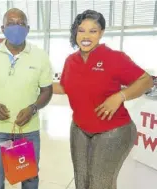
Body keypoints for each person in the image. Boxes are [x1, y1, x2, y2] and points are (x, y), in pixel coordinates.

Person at [53, 10, 154, 189]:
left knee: (100, 184)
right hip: (80, 129)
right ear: (76, 32)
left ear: (101, 33)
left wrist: (120, 96)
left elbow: (146, 81)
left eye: (93, 31)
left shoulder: (114, 58)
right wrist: (38, 86)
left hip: (113, 130)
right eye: (81, 30)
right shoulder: (71, 61)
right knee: (81, 182)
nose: (86, 36)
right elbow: (64, 87)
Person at [0, 8, 53, 189]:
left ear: (28, 28)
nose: (16, 27)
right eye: (11, 23)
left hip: (28, 129)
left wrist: (33, 108)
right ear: (3, 28)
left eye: (21, 23)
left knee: (30, 176)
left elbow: (47, 91)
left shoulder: (40, 56)